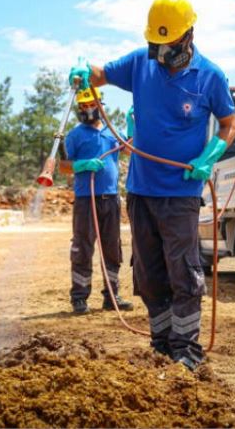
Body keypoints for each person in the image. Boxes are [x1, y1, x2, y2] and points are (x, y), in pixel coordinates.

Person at [68, 0, 235, 369]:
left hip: (180, 191)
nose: (161, 52)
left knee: (184, 271)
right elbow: (100, 74)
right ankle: (161, 344)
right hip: (141, 190)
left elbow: (229, 125)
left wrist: (208, 157)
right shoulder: (139, 63)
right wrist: (83, 69)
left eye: (169, 45)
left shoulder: (210, 76)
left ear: (188, 36)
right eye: (155, 44)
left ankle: (186, 351)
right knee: (147, 273)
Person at [60, 86, 134, 315]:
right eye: (82, 106)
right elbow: (63, 166)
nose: (87, 109)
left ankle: (111, 296)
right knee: (82, 248)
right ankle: (79, 298)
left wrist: (132, 125)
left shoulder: (112, 131)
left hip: (110, 199)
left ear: (100, 105)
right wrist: (82, 164)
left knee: (112, 249)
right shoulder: (75, 136)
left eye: (91, 104)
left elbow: (130, 149)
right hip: (86, 199)